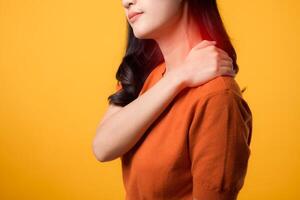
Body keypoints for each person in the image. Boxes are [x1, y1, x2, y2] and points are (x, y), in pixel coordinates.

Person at [92, 0, 253, 199]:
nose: (126, 2)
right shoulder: (145, 74)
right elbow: (102, 148)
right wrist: (180, 76)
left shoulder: (217, 96)